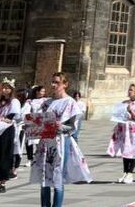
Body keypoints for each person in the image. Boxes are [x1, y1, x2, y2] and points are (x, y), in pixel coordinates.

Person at [30, 72, 92, 206]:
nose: (53, 85)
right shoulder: (47, 102)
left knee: (58, 177)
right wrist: (31, 126)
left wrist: (61, 125)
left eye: (57, 82)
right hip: (46, 141)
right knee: (44, 177)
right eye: (52, 82)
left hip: (60, 141)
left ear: (65, 84)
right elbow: (39, 122)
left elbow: (72, 127)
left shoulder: (70, 102)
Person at [107, 84, 135, 184]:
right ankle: (125, 172)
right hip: (124, 129)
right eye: (129, 90)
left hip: (134, 130)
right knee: (125, 150)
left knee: (133, 150)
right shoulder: (124, 102)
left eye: (131, 90)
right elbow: (119, 115)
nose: (129, 92)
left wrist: (131, 110)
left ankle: (130, 173)